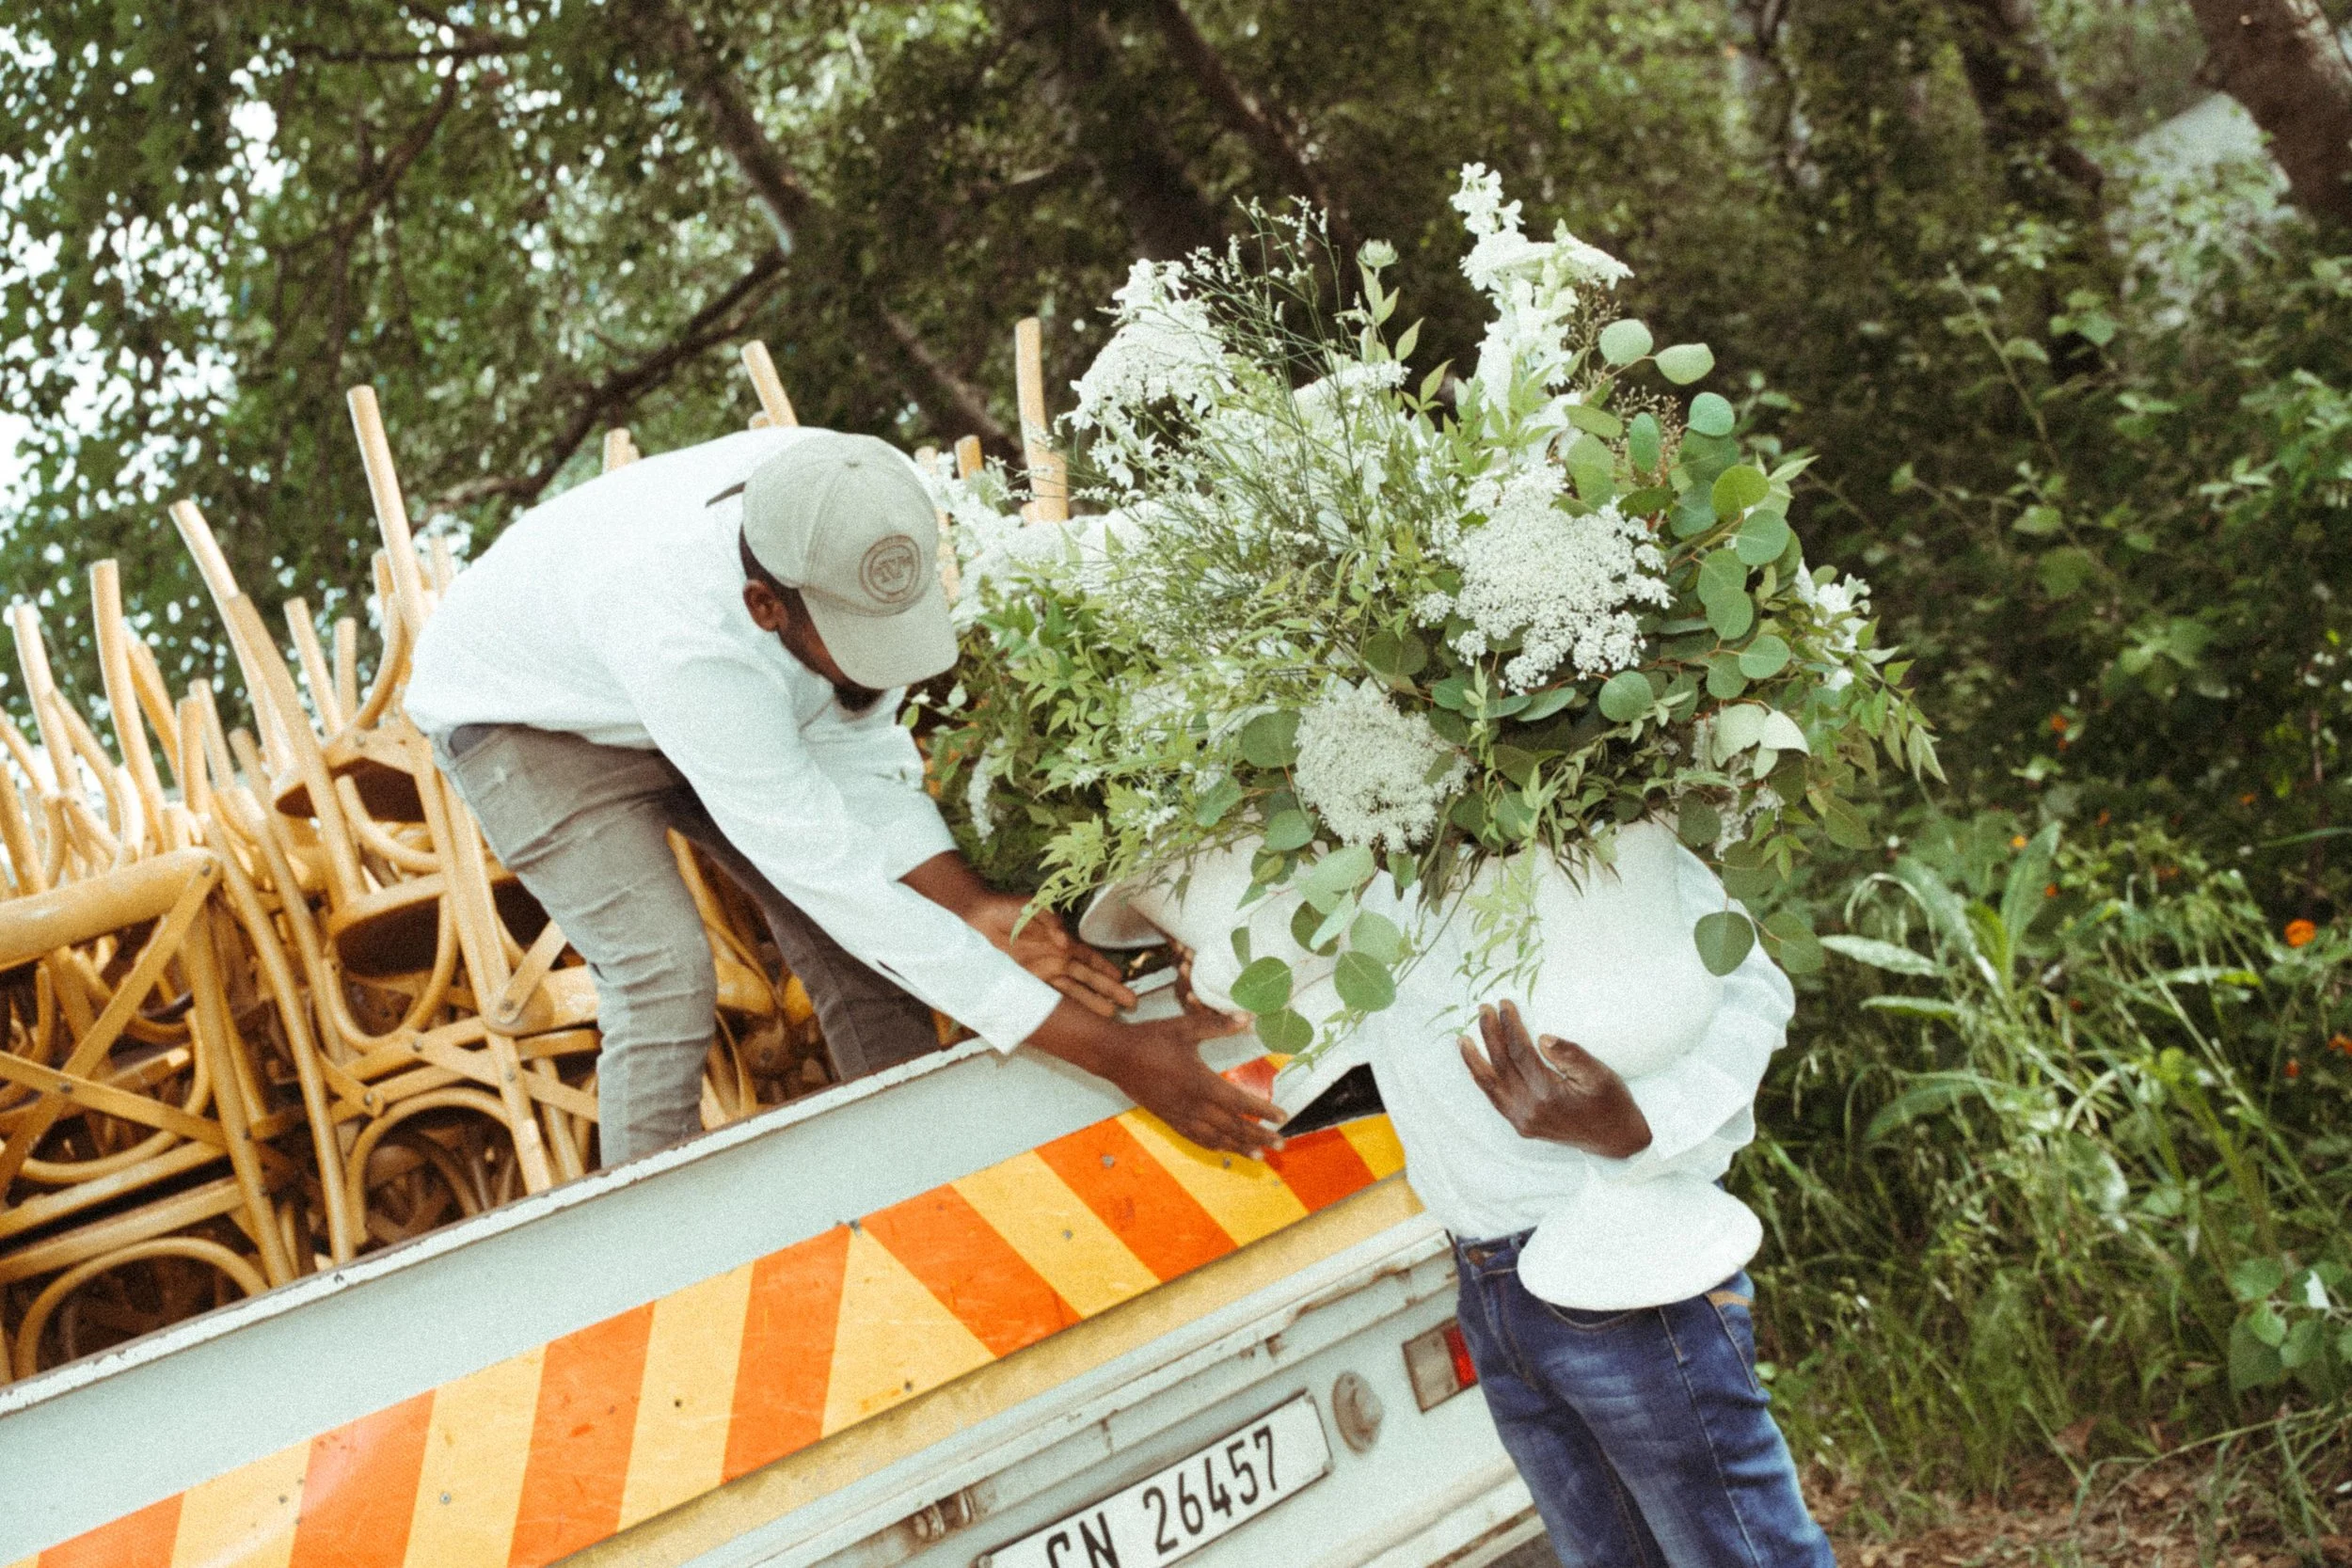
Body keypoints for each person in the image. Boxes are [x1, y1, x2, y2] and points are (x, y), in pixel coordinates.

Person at [404, 424, 1281, 1167]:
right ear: (766, 606)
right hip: (521, 714)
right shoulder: (687, 642)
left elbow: (860, 744)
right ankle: (651, 1264)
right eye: (853, 642)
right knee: (664, 974)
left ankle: (913, 1188)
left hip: (673, 676)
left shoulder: (856, 505)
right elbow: (842, 880)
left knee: (865, 967)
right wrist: (1116, 1055)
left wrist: (973, 906)